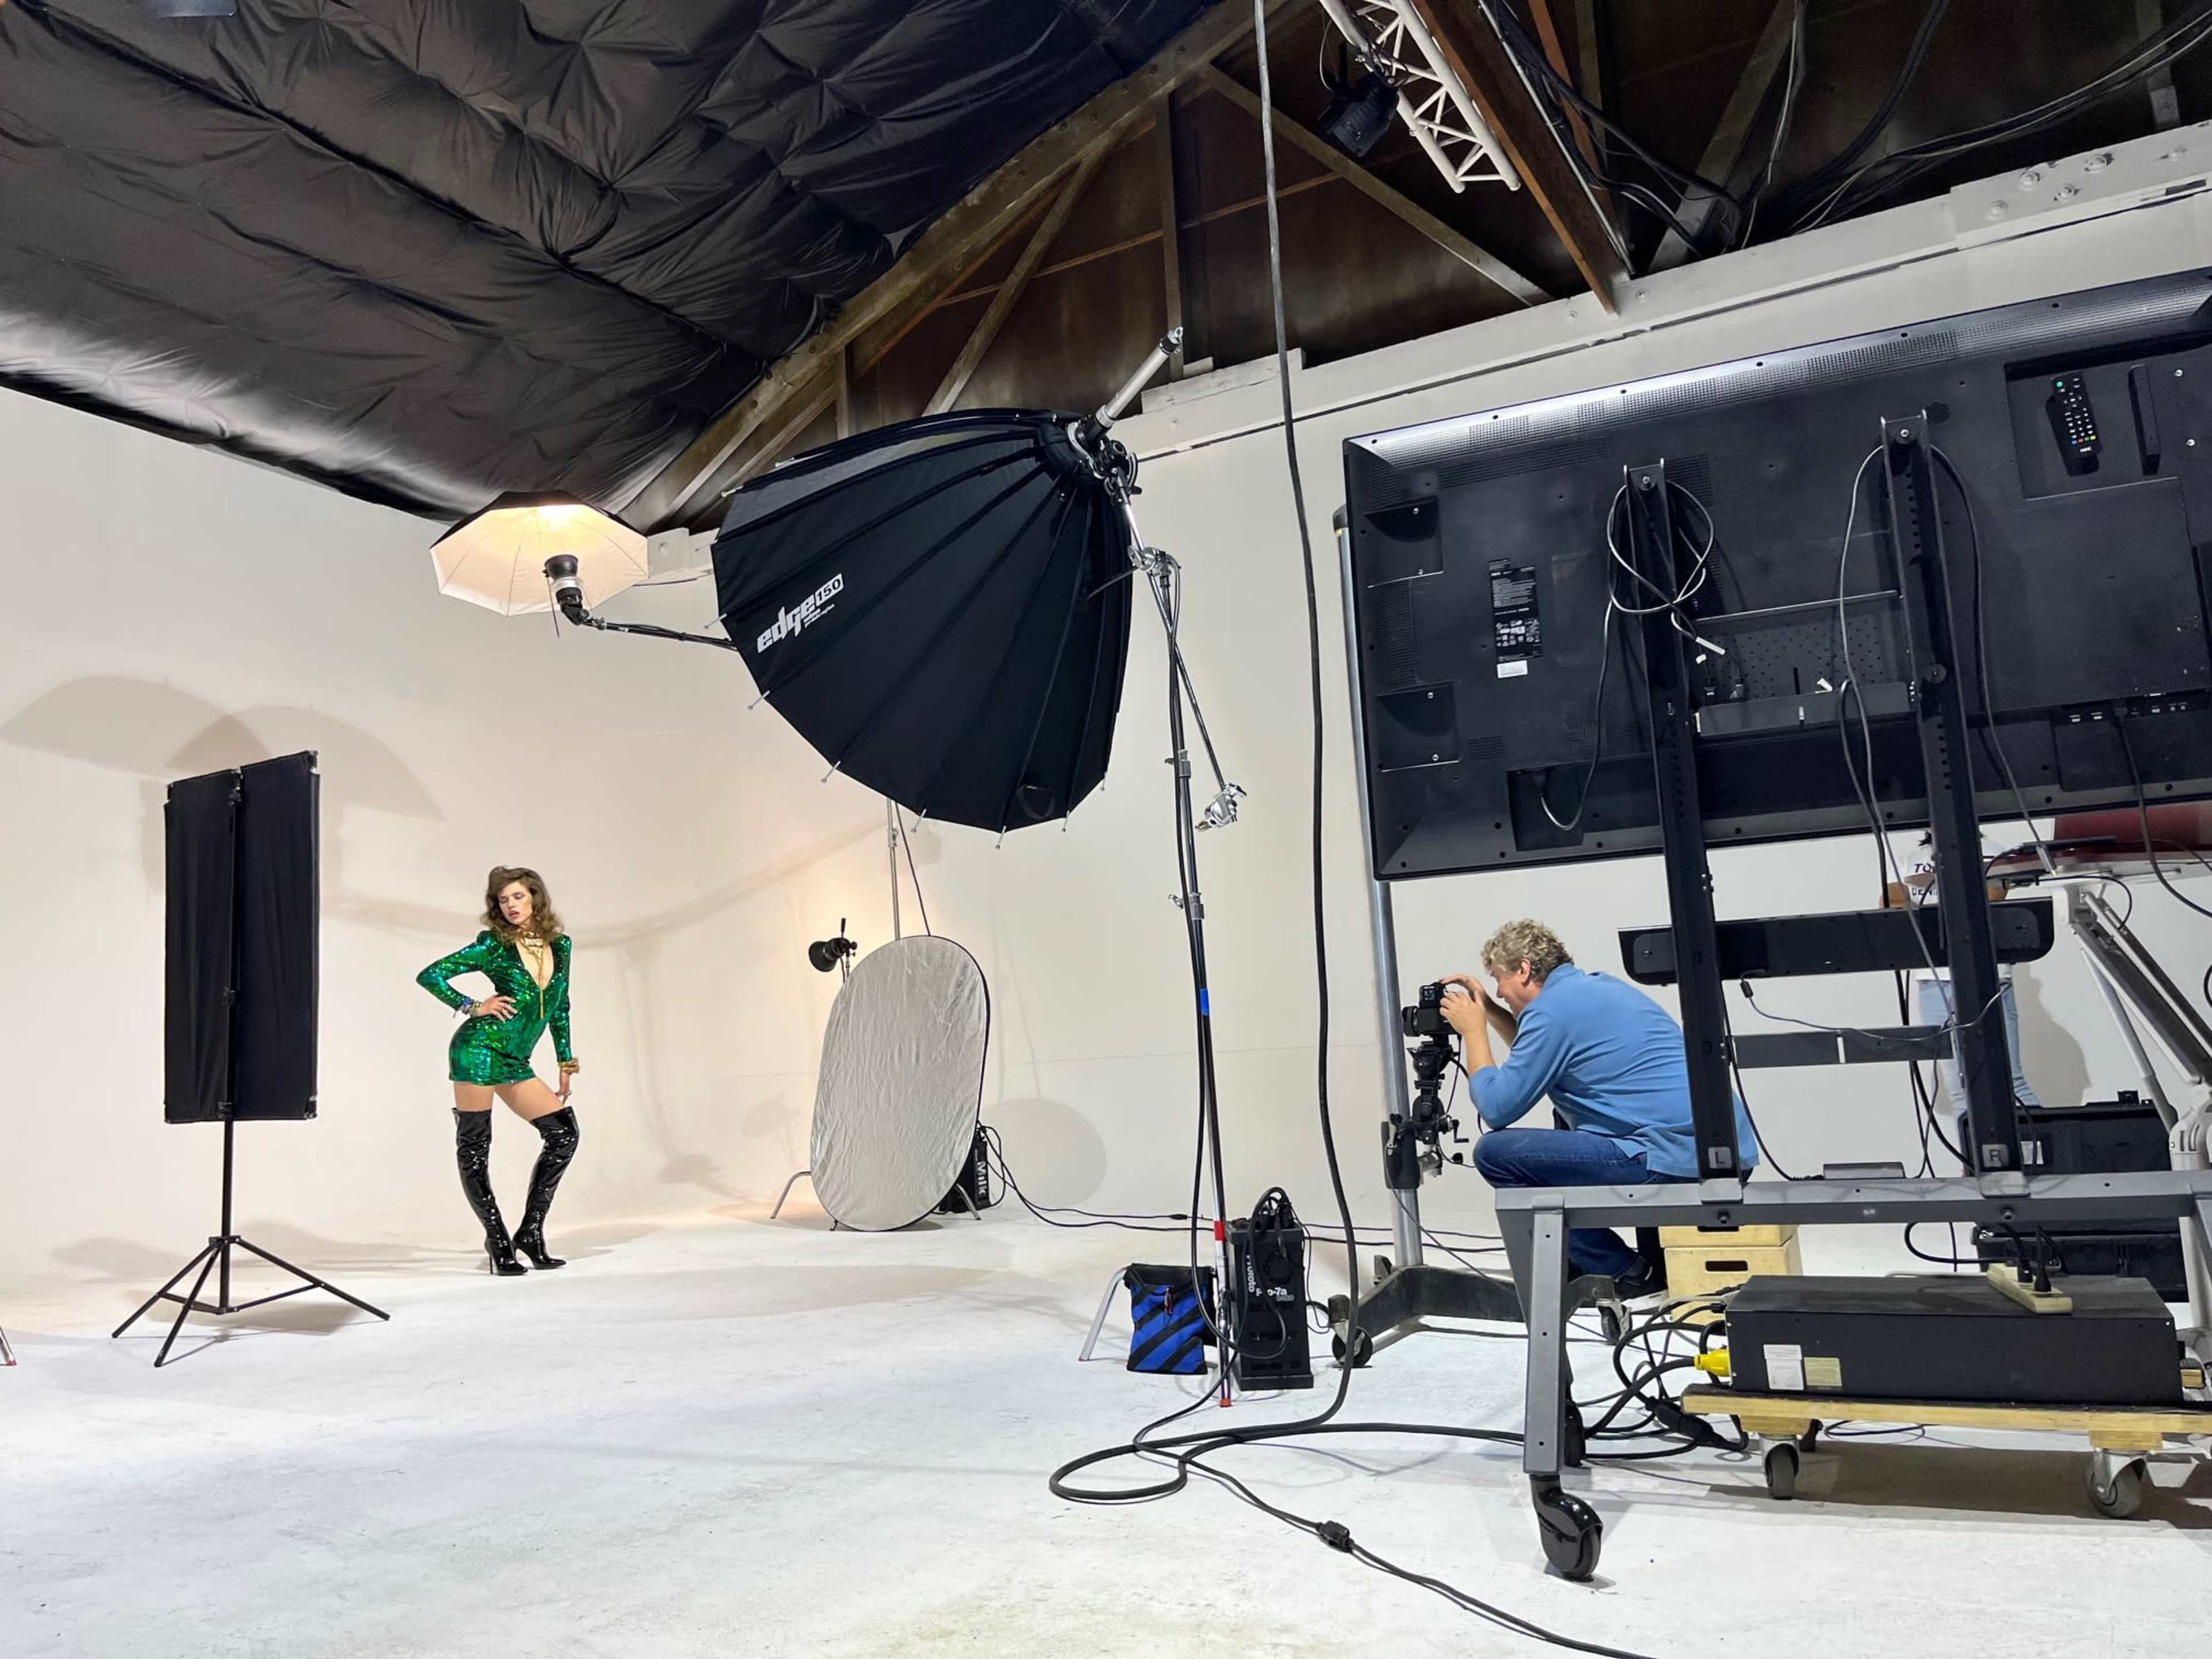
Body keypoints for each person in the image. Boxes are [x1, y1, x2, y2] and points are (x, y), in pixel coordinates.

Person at [1441, 918, 1759, 1297]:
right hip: (1714, 1152)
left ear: (1523, 970)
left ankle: (1625, 1273)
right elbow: (1539, 1060)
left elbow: (1497, 1107)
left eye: (1499, 979)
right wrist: (1492, 1012)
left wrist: (1473, 1032)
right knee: (1565, 1113)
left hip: (1671, 1159)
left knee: (1495, 1153)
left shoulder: (1551, 1013)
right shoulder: (1593, 990)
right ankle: (1596, 1263)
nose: (1499, 991)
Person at [417, 866, 581, 1276]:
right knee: (476, 1146)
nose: (511, 905)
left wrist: (565, 1063)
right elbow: (431, 975)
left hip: (515, 1060)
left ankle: (531, 1233)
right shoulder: (493, 945)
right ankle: (497, 1240)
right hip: (478, 1050)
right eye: (504, 900)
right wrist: (474, 1006)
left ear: (535, 898)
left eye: (518, 897)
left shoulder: (561, 946)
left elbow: (560, 1006)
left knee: (563, 1134)